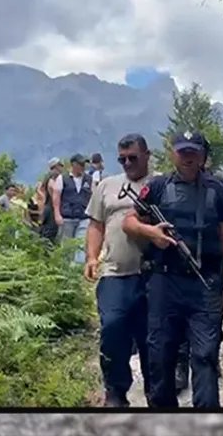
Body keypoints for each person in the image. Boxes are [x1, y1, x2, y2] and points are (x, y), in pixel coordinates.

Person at [123, 131, 223, 409]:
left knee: (206, 356)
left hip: (207, 283)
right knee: (160, 356)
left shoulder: (218, 188)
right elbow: (129, 222)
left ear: (202, 155)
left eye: (194, 152)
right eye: (182, 151)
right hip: (165, 283)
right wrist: (150, 232)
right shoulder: (158, 187)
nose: (188, 157)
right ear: (173, 153)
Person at [84, 134, 154, 407]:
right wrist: (91, 256)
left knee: (152, 337)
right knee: (112, 330)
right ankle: (115, 392)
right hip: (114, 273)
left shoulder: (162, 184)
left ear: (147, 155)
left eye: (133, 158)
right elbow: (96, 225)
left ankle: (156, 393)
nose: (127, 163)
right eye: (122, 159)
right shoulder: (107, 186)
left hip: (154, 275)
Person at [54, 154, 95, 264]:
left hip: (83, 217)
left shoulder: (89, 180)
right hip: (67, 217)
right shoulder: (62, 178)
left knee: (80, 245)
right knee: (67, 246)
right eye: (80, 164)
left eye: (83, 164)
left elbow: (93, 196)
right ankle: (65, 270)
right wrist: (57, 214)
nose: (83, 167)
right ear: (73, 164)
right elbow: (56, 196)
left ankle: (78, 270)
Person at [34, 159, 64, 242]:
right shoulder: (52, 179)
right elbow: (54, 191)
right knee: (50, 232)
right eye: (60, 165)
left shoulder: (46, 179)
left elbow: (40, 190)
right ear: (56, 166)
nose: (62, 167)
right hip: (51, 208)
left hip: (47, 207)